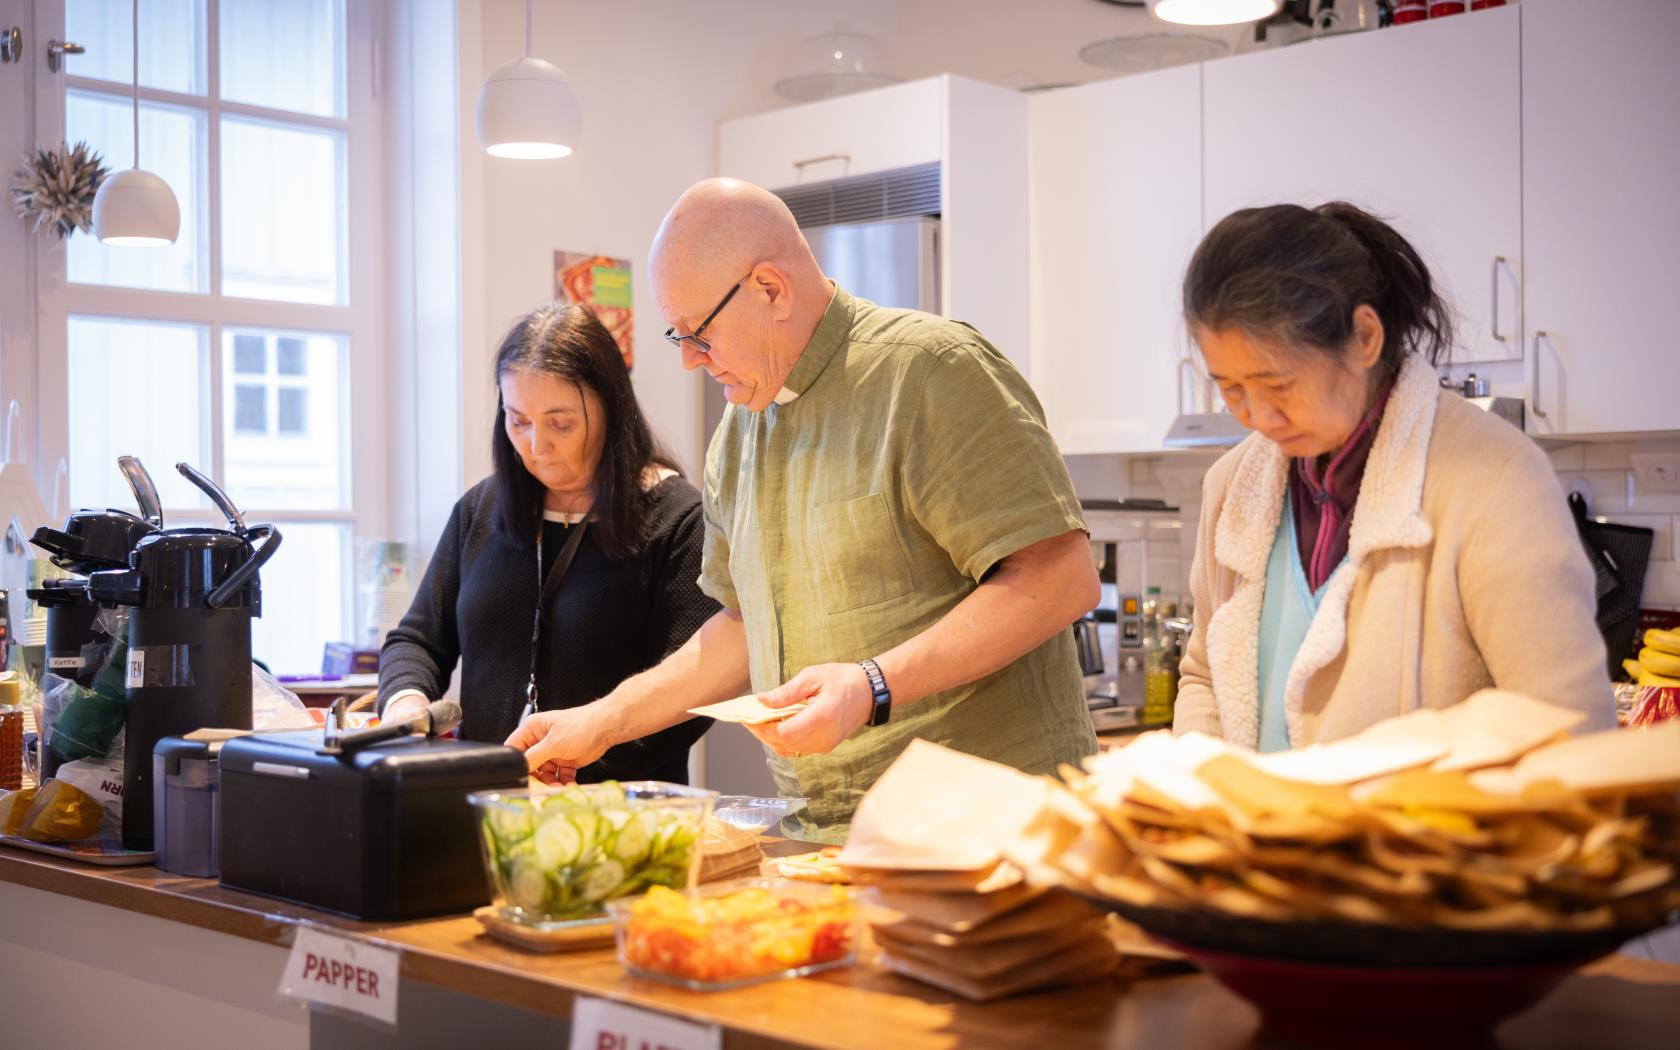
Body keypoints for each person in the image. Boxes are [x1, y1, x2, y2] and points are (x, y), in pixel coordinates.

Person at [506, 178, 1100, 840]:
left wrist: (872, 684)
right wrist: (602, 721)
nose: (690, 362)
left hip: (989, 826)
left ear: (770, 289)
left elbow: (1059, 578)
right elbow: (739, 626)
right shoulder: (739, 435)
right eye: (679, 337)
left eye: (699, 333)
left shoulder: (932, 371)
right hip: (822, 837)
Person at [1173, 201, 1615, 750]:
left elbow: (1568, 729)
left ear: (1364, 337)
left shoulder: (1495, 479)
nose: (1259, 419)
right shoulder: (1230, 487)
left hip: (1430, 837)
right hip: (1250, 837)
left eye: (1279, 385)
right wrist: (1203, 793)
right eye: (1231, 388)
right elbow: (1205, 679)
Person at [379, 303, 717, 783]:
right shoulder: (481, 509)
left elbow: (692, 694)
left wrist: (577, 759)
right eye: (518, 421)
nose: (537, 446)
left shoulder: (676, 519)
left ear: (610, 410)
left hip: (617, 814)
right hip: (492, 804)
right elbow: (417, 640)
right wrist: (406, 703)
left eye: (560, 423)